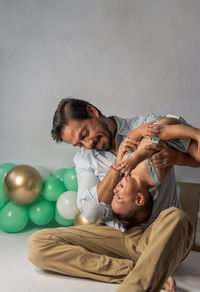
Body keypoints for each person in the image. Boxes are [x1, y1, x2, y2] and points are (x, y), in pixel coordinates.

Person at [28, 98, 199, 292]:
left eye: (85, 134)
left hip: (160, 234)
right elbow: (91, 211)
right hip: (117, 236)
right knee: (39, 244)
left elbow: (196, 149)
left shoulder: (146, 125)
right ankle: (137, 271)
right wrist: (117, 166)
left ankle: (137, 284)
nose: (88, 144)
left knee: (178, 218)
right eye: (79, 143)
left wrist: (176, 157)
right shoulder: (84, 160)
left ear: (92, 112)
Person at [111, 115, 200, 223]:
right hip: (179, 142)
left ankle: (197, 133)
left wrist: (141, 131)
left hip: (164, 128)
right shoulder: (155, 177)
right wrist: (135, 159)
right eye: (119, 197)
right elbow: (153, 150)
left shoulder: (125, 167)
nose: (115, 190)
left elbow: (130, 139)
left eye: (114, 195)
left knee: (160, 132)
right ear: (139, 198)